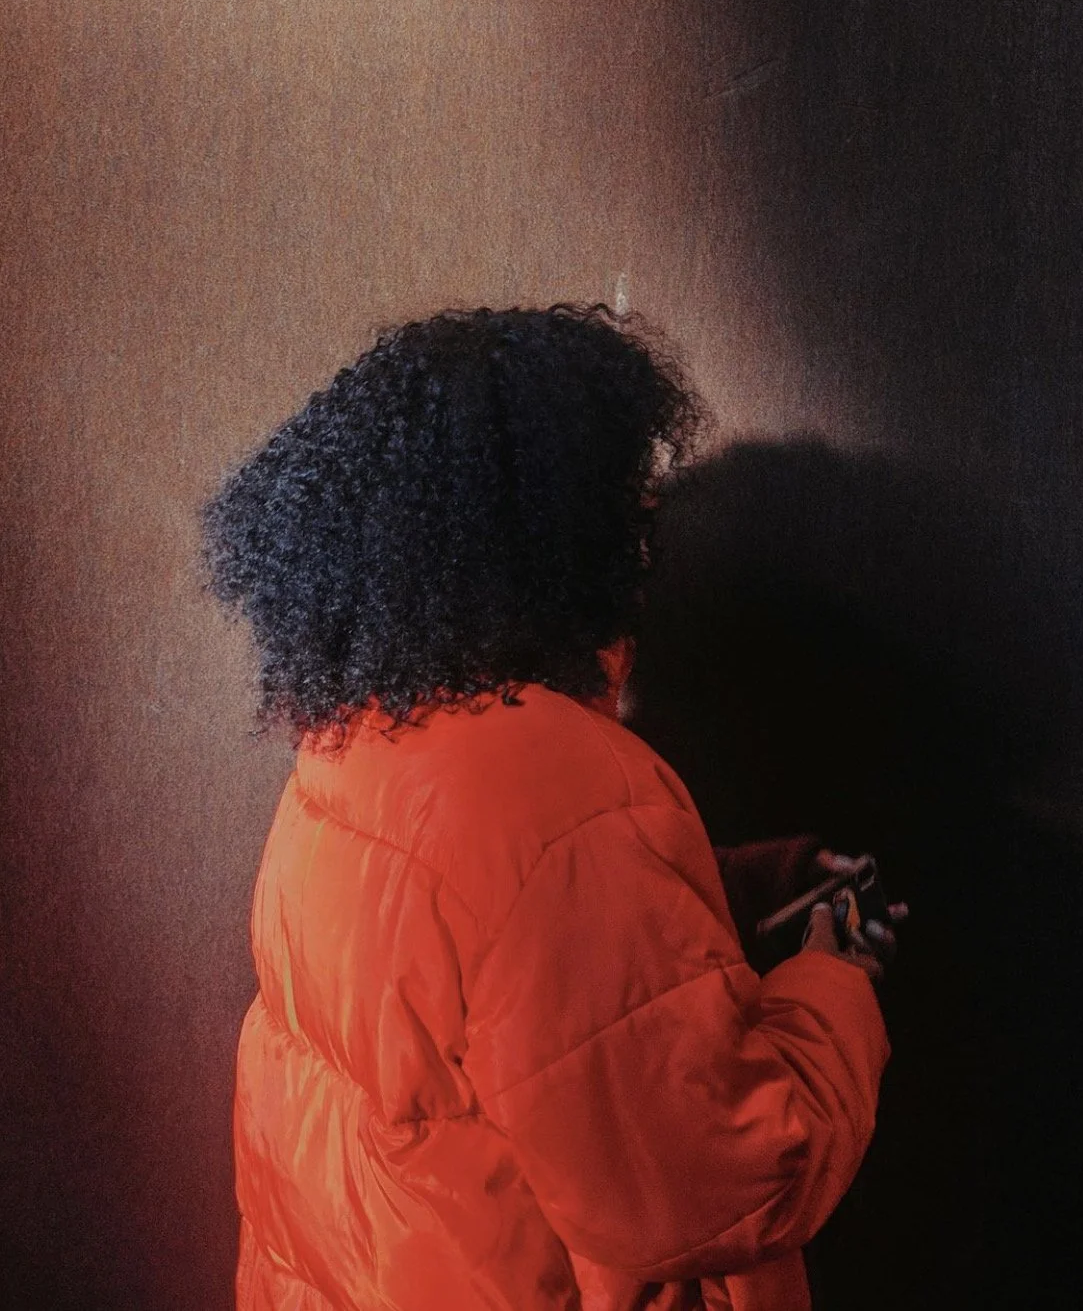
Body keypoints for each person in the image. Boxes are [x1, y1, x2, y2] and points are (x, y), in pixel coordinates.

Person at [202, 305, 899, 1311]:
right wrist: (838, 989)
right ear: (563, 527)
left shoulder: (352, 743)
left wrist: (736, 887)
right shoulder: (558, 793)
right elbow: (723, 1180)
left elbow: (496, 996)